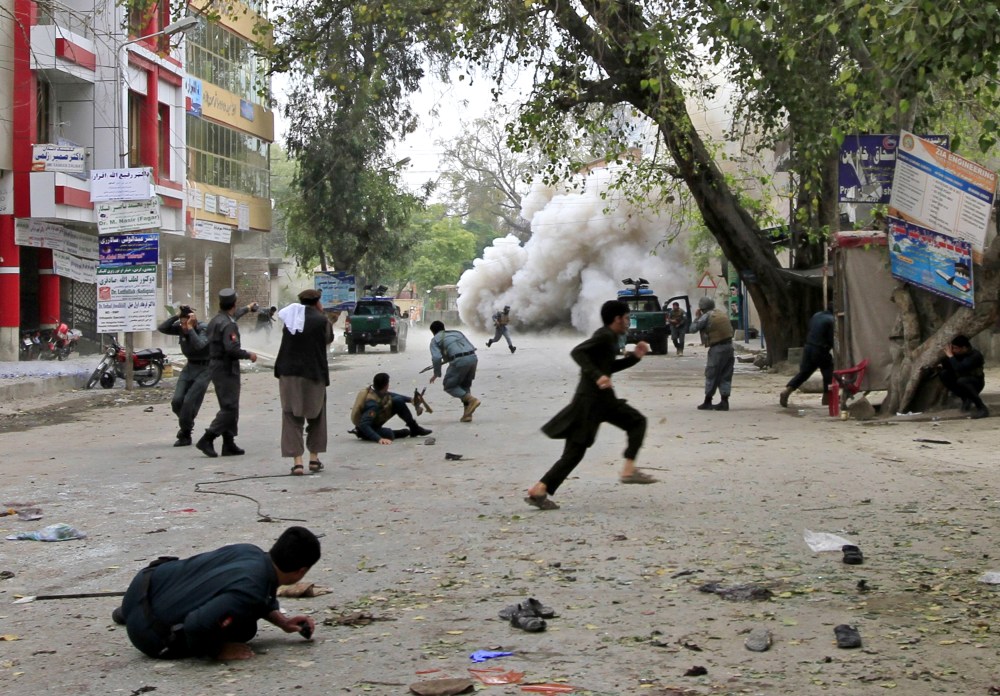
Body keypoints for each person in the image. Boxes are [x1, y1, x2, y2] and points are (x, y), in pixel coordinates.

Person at [112, 526, 321, 661]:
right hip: (149, 636)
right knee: (246, 628)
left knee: (209, 583)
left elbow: (254, 591)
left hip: (142, 586)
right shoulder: (252, 591)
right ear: (300, 571)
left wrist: (282, 621)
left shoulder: (249, 551)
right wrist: (219, 651)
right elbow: (196, 625)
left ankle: (130, 612)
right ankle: (137, 618)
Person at [525, 300, 656, 511]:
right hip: (593, 402)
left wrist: (634, 358)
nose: (628, 321)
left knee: (574, 453)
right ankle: (629, 470)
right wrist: (597, 376)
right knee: (637, 422)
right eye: (626, 317)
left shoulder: (611, 338)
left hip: (596, 401)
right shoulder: (604, 336)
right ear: (617, 318)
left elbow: (608, 366)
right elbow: (578, 352)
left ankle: (539, 490)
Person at [273, 289, 334, 476]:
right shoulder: (322, 320)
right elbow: (328, 339)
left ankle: (297, 463)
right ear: (318, 302)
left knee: (291, 416)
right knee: (317, 415)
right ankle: (314, 460)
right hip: (313, 373)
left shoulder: (291, 319)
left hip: (288, 373)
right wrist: (324, 315)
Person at [196, 289, 258, 458]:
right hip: (226, 367)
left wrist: (248, 308)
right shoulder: (228, 324)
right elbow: (232, 348)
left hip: (216, 365)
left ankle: (229, 442)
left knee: (230, 405)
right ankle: (208, 438)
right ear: (234, 304)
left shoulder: (217, 320)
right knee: (229, 407)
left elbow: (234, 315)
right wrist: (248, 355)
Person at [158, 305, 210, 447]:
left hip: (205, 368)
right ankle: (187, 424)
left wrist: (191, 328)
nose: (183, 326)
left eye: (185, 322)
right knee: (177, 401)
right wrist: (177, 316)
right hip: (189, 367)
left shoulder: (204, 328)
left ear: (193, 320)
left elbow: (200, 345)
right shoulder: (181, 327)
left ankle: (185, 433)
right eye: (181, 323)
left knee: (188, 401)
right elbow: (162, 328)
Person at [350, 372, 433, 444]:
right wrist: (379, 439)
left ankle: (414, 428)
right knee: (389, 434)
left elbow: (391, 395)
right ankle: (403, 432)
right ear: (386, 385)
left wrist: (411, 400)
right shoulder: (372, 404)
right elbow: (364, 424)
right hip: (366, 429)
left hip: (375, 419)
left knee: (398, 401)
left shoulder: (377, 391)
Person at [780, 304, 835, 408]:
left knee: (804, 373)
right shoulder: (831, 320)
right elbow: (832, 339)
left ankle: (787, 391)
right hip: (820, 349)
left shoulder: (816, 315)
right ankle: (827, 398)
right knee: (828, 372)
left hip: (808, 347)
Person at [688, 295, 735, 411]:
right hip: (729, 347)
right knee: (726, 375)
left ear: (702, 308)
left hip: (717, 349)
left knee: (711, 374)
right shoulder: (721, 313)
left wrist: (697, 317)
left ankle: (707, 401)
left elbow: (692, 329)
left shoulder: (706, 316)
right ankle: (724, 402)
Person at [429, 320, 481, 422]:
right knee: (465, 386)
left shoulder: (435, 340)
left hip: (459, 361)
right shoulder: (457, 333)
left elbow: (436, 357)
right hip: (473, 358)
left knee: (449, 385)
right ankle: (467, 415)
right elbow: (468, 345)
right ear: (443, 328)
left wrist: (436, 373)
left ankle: (472, 400)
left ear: (433, 332)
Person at [932, 334, 989, 419]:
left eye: (955, 348)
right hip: (962, 382)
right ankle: (966, 399)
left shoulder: (975, 355)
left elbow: (960, 368)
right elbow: (947, 366)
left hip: (976, 382)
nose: (953, 351)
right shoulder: (957, 355)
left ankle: (982, 408)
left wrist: (951, 356)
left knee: (962, 381)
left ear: (964, 348)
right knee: (944, 374)